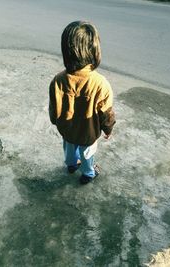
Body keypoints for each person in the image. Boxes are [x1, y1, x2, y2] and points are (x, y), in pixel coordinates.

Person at [49, 21, 116, 184]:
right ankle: (88, 173)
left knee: (70, 151)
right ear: (94, 50)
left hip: (68, 131)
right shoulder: (101, 84)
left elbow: (53, 111)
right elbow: (106, 114)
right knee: (87, 155)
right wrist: (108, 129)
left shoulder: (58, 80)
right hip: (88, 134)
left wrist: (57, 122)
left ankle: (71, 166)